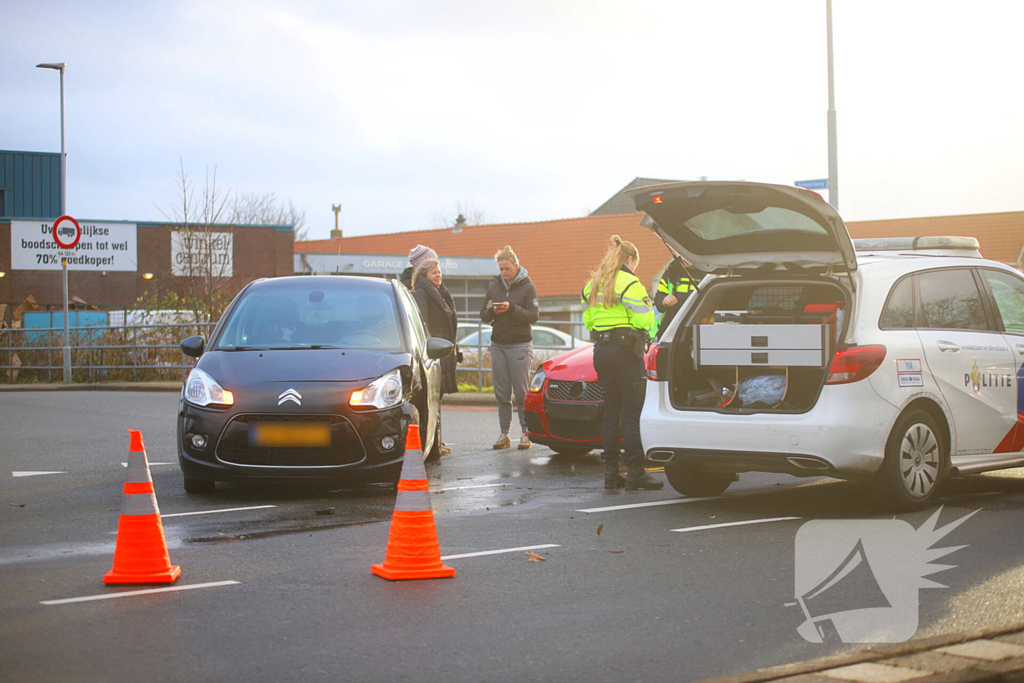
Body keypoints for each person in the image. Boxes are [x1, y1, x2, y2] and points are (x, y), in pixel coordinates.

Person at [582, 235, 663, 490]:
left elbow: (588, 322)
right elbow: (644, 319)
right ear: (630, 259)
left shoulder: (594, 284)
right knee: (632, 413)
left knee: (611, 411)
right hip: (626, 353)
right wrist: (649, 322)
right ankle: (636, 472)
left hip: (601, 351)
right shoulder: (630, 282)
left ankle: (612, 472)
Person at [480, 245, 539, 450]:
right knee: (501, 393)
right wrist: (494, 311)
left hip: (520, 344)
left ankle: (526, 433)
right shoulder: (494, 286)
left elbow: (533, 316)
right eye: (501, 269)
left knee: (521, 393)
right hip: (498, 344)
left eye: (507, 269)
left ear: (516, 266)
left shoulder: (528, 287)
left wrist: (512, 308)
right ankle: (504, 434)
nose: (504, 273)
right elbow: (483, 313)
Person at [410, 257, 459, 456]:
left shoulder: (440, 293)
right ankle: (434, 442)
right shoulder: (422, 294)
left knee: (438, 398)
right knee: (433, 398)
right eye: (433, 273)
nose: (438, 275)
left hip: (443, 349)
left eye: (439, 272)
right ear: (424, 276)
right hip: (433, 351)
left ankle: (438, 440)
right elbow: (423, 325)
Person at [654, 257, 702, 338]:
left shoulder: (710, 273)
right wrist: (664, 301)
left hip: (700, 329)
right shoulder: (673, 270)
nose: (685, 259)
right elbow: (659, 299)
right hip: (673, 331)